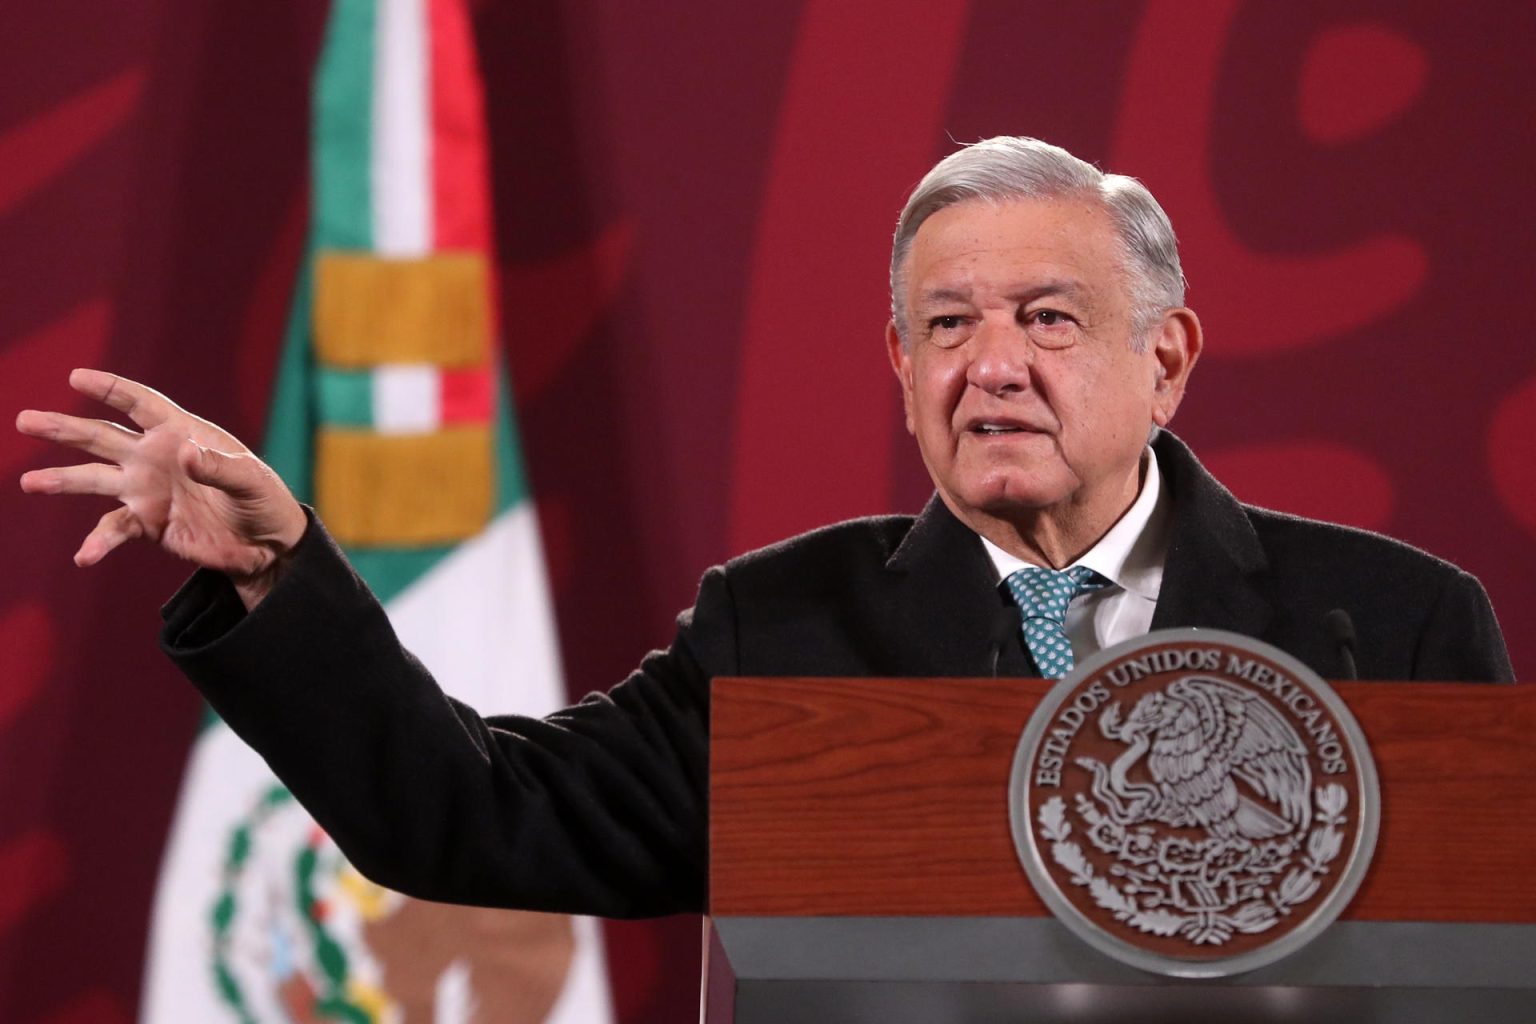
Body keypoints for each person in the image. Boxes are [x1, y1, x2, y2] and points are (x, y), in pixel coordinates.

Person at [16, 137, 1511, 920]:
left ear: (1167, 356)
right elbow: (473, 815)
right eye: (947, 325)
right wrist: (285, 574)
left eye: (1049, 319)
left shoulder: (1389, 626)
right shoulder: (786, 631)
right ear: (902, 368)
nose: (992, 364)